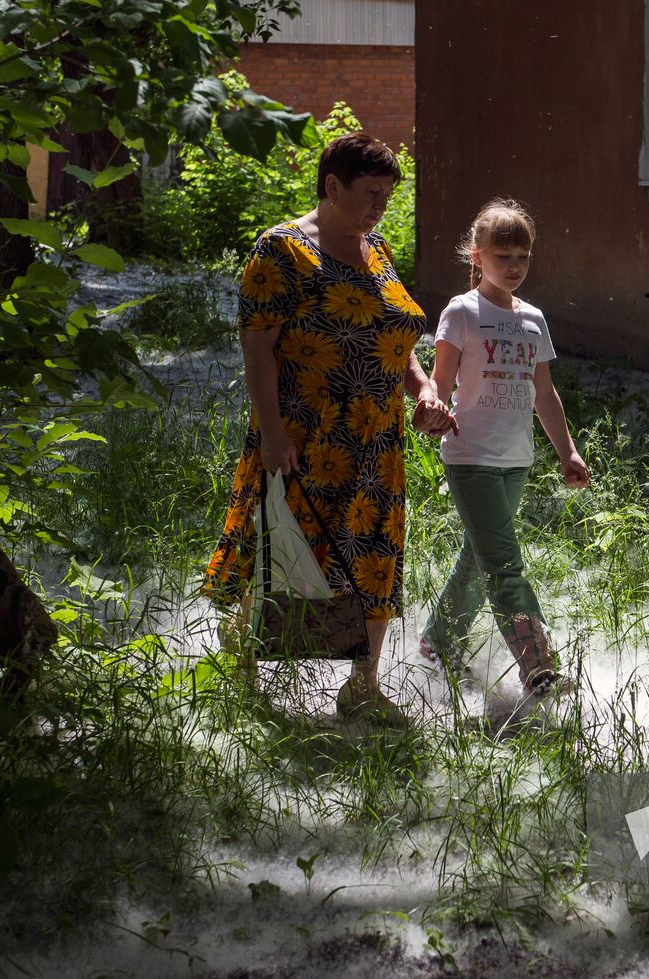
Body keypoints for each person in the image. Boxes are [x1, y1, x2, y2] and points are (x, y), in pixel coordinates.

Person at [204, 133, 454, 723]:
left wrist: (425, 390)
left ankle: (362, 687)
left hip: (376, 443)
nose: (378, 208)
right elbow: (258, 350)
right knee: (277, 547)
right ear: (331, 186)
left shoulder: (378, 249)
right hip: (302, 438)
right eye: (370, 194)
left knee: (374, 559)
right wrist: (272, 434)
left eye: (387, 197)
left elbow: (392, 339)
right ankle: (239, 662)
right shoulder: (281, 252)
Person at [419, 198, 590, 702]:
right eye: (502, 256)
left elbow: (544, 394)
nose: (513, 267)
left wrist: (568, 452)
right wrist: (432, 407)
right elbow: (440, 379)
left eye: (523, 257)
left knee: (479, 557)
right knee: (504, 562)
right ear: (476, 256)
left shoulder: (533, 319)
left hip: (515, 459)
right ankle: (538, 667)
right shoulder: (462, 312)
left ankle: (436, 643)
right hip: (469, 456)